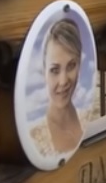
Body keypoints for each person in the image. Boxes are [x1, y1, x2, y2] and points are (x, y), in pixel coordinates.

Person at [29, 18, 88, 157]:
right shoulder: (35, 138)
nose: (63, 81)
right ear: (44, 71)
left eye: (71, 66)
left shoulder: (86, 118)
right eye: (55, 70)